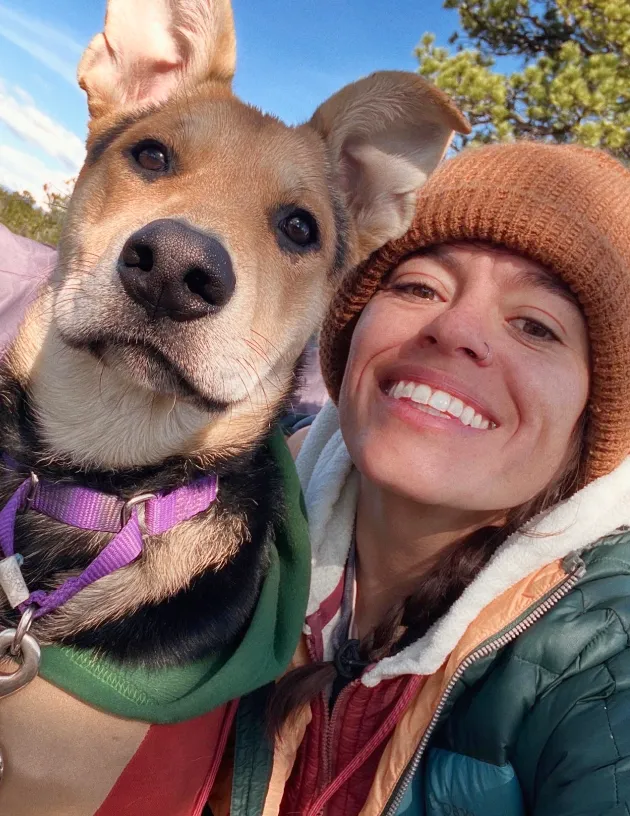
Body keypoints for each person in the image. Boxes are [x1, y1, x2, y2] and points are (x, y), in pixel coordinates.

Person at [214, 142, 630, 816]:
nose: (455, 328)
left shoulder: (602, 658)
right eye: (419, 288)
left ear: (591, 421)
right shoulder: (208, 502)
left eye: (535, 326)